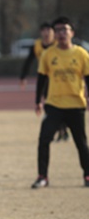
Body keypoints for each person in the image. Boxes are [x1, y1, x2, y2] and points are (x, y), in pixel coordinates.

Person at [31, 16, 89, 189]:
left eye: (64, 29)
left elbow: (88, 77)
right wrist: (38, 101)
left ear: (72, 32)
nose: (61, 33)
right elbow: (41, 79)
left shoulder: (81, 54)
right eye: (57, 30)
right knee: (44, 140)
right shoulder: (49, 54)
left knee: (81, 142)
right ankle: (42, 177)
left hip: (76, 105)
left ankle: (87, 175)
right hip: (54, 105)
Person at [19, 22, 68, 141]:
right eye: (44, 30)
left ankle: (63, 129)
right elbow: (28, 62)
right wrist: (23, 77)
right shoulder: (36, 46)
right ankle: (60, 129)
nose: (46, 33)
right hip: (45, 79)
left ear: (53, 32)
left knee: (64, 106)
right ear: (41, 32)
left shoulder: (58, 45)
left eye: (49, 30)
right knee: (50, 106)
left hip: (59, 80)